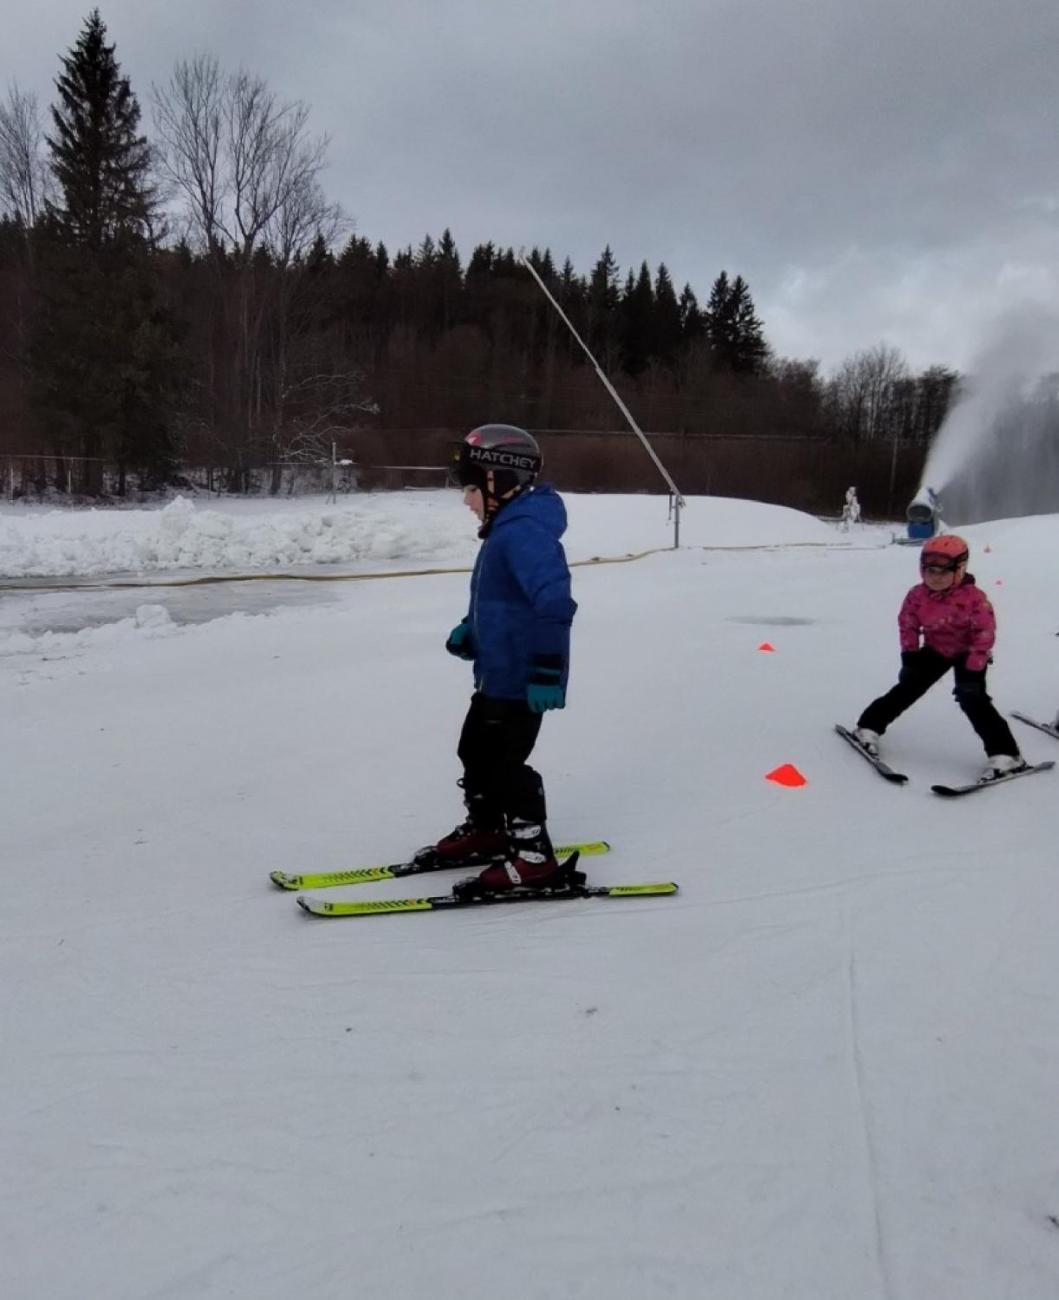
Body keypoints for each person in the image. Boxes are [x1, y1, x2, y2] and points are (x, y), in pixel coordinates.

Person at [416, 423, 577, 893]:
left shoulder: (525, 534)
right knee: (473, 751)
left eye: (470, 489)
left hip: (524, 678)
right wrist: (473, 629)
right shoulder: (504, 530)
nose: (466, 501)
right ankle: (488, 830)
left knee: (505, 766)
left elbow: (554, 605)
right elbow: (502, 600)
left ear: (500, 480)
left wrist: (547, 670)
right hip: (497, 672)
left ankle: (534, 857)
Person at [851, 534, 1026, 780]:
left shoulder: (974, 599)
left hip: (969, 653)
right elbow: (908, 625)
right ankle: (869, 726)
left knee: (972, 698)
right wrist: (909, 656)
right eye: (930, 571)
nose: (936, 577)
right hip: (937, 648)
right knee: (908, 687)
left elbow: (985, 632)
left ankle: (1007, 755)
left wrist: (975, 663)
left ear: (960, 570)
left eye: (944, 572)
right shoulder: (917, 595)